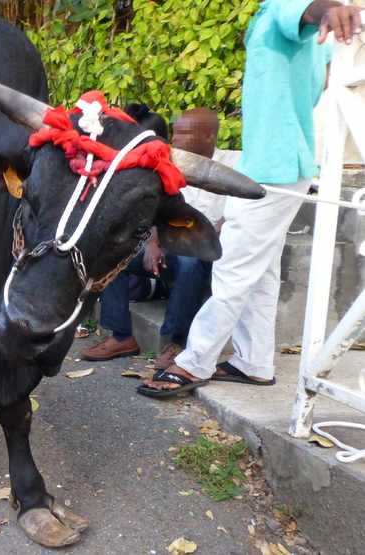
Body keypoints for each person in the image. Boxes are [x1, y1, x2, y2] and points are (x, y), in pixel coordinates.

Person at [139, 0, 364, 398]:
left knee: (231, 266)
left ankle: (194, 363)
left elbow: (308, 12)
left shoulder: (283, 8)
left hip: (272, 163)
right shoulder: (289, 24)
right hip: (284, 159)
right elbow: (323, 72)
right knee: (261, 272)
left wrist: (327, 9)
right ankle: (254, 363)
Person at [83, 108, 224, 367]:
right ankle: (121, 336)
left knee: (190, 261)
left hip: (205, 253)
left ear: (207, 136)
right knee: (114, 254)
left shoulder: (232, 164)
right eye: (176, 132)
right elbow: (157, 208)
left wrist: (209, 230)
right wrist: (152, 243)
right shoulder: (169, 161)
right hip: (170, 246)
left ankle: (175, 341)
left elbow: (237, 218)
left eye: (184, 133)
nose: (176, 139)